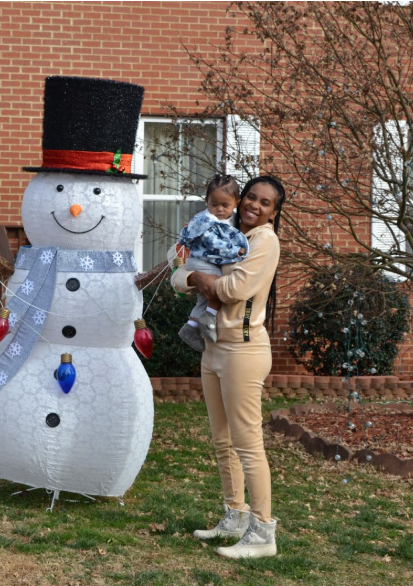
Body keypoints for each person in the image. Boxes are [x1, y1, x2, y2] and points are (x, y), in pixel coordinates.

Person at [171, 175, 285, 559]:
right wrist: (195, 276)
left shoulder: (264, 241)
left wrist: (198, 277)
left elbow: (234, 291)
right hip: (214, 347)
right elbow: (176, 274)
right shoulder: (225, 232)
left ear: (273, 211)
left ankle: (263, 532)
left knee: (248, 445)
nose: (254, 205)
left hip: (243, 351)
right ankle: (234, 515)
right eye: (250, 197)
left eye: (264, 202)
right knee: (223, 440)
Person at [177, 174, 248, 353]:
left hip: (203, 262)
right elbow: (212, 243)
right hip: (200, 262)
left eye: (225, 205)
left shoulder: (230, 221)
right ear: (207, 200)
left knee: (204, 297)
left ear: (236, 203)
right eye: (214, 204)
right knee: (217, 286)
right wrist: (234, 251)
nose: (219, 209)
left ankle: (190, 326)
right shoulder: (207, 221)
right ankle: (209, 317)